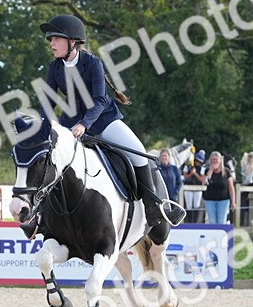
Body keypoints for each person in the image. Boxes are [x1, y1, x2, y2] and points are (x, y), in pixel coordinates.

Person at [36, 14, 184, 228]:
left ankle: (154, 206)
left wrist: (84, 124)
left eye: (56, 38)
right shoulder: (55, 68)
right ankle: (40, 216)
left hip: (102, 120)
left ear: (73, 41)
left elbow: (100, 100)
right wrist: (42, 127)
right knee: (48, 158)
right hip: (71, 124)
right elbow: (48, 102)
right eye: (50, 40)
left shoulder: (93, 64)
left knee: (138, 150)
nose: (51, 43)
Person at [202, 151, 236, 224]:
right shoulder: (207, 171)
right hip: (210, 200)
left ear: (220, 161)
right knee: (212, 221)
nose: (214, 162)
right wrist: (211, 170)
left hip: (223, 200)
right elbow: (204, 182)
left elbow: (231, 187)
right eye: (213, 160)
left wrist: (233, 201)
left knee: (221, 221)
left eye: (216, 160)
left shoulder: (226, 171)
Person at [182, 149, 207, 223]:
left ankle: (195, 221)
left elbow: (202, 180)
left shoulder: (202, 168)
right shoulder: (187, 166)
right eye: (197, 161)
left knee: (196, 205)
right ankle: (189, 221)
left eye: (200, 162)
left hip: (198, 188)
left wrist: (195, 173)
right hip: (188, 187)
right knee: (189, 206)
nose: (198, 163)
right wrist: (191, 174)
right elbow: (185, 176)